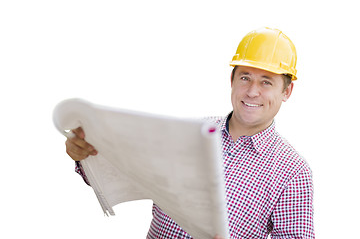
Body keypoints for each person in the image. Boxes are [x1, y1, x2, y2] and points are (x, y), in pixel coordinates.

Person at [65, 27, 315, 238]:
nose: (252, 91)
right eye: (245, 77)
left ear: (287, 91)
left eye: (266, 82)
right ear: (232, 80)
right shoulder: (190, 133)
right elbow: (127, 177)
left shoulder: (293, 173)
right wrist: (86, 154)